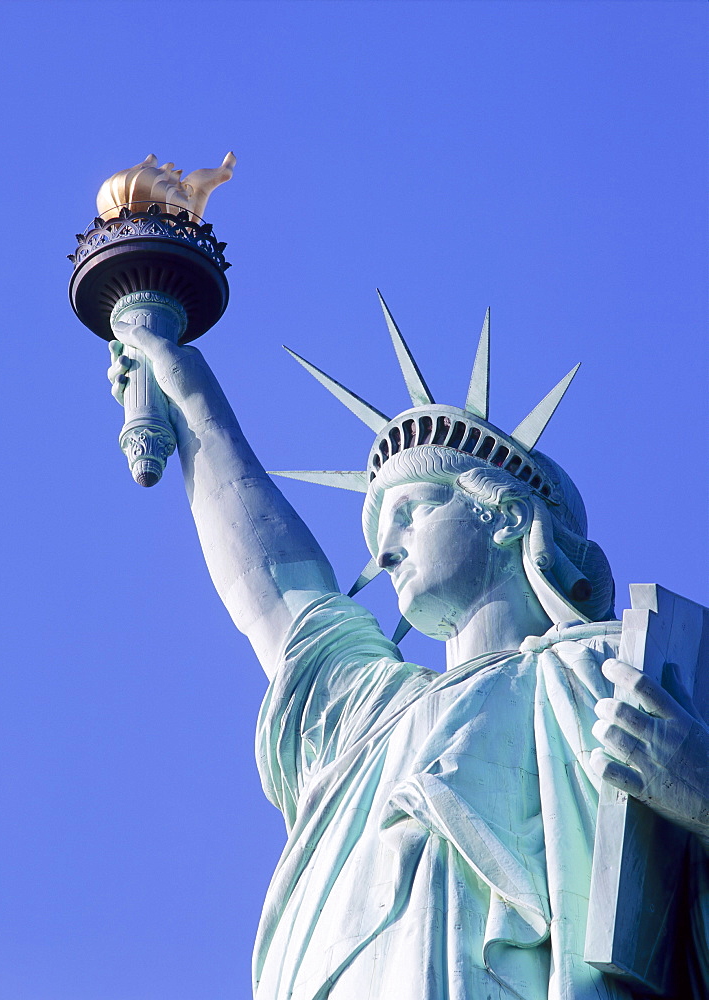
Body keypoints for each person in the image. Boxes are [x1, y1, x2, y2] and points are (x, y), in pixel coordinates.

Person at [107, 312, 709, 1000]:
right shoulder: (369, 713)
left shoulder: (615, 675)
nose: (383, 548)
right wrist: (184, 389)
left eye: (411, 510)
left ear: (505, 516)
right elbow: (274, 587)